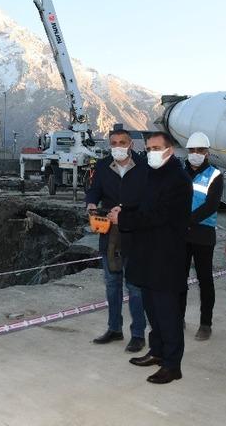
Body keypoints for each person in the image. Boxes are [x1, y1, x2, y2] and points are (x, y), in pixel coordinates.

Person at [117, 132, 192, 384]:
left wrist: (123, 219)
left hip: (166, 257)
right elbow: (143, 205)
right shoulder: (151, 174)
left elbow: (159, 216)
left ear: (169, 150)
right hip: (147, 254)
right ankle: (157, 351)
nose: (151, 153)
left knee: (168, 313)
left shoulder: (178, 179)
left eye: (156, 148)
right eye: (148, 149)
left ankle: (172, 365)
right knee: (152, 309)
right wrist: (123, 209)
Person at [85, 128, 148, 353]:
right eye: (113, 143)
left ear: (131, 144)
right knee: (112, 284)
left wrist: (125, 210)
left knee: (135, 287)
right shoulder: (103, 166)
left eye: (122, 142)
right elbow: (94, 190)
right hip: (109, 234)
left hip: (135, 234)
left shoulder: (144, 167)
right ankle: (114, 328)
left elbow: (148, 200)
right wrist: (91, 202)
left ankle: (138, 334)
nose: (118, 146)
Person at [181, 132, 223, 341]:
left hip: (203, 233)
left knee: (205, 280)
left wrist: (185, 220)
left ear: (207, 152)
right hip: (181, 234)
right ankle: (178, 318)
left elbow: (211, 206)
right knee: (178, 279)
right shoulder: (180, 173)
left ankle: (206, 324)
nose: (195, 153)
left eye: (199, 150)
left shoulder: (215, 175)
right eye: (192, 150)